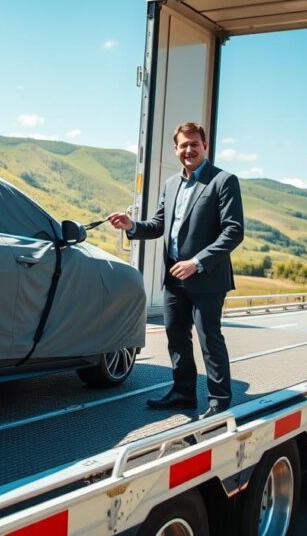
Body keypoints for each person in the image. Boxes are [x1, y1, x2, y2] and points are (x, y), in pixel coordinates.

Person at [108, 122, 243, 419]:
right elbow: (158, 225)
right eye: (183, 145)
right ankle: (182, 392)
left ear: (204, 146)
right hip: (173, 278)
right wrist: (132, 226)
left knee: (210, 338)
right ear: (175, 149)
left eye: (194, 144)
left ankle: (219, 400)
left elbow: (233, 231)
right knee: (176, 336)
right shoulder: (171, 185)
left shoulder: (223, 181)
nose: (188, 150)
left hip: (207, 278)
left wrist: (197, 262)